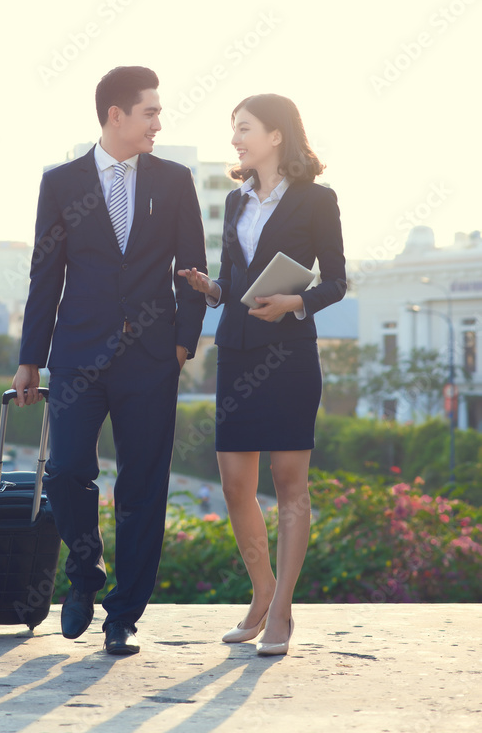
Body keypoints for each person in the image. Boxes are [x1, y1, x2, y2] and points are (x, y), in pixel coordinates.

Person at [12, 66, 207, 655]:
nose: (158, 122)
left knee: (143, 487)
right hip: (77, 354)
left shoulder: (175, 181)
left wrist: (182, 344)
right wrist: (31, 358)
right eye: (150, 111)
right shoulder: (62, 182)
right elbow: (46, 274)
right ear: (115, 115)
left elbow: (193, 269)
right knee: (68, 470)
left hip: (151, 358)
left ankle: (123, 614)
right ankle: (85, 568)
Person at [178, 93, 346, 656]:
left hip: (290, 353)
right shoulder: (234, 201)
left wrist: (294, 303)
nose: (235, 139)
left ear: (276, 136)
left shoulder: (318, 201)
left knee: (290, 484)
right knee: (234, 483)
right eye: (234, 129)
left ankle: (281, 612)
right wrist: (212, 289)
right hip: (238, 348)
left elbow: (336, 281)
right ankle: (261, 591)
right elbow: (235, 282)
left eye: (244, 128)